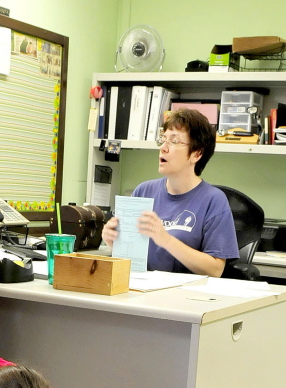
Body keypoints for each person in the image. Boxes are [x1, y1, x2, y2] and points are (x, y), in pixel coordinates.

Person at [101, 108, 239, 277]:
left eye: (174, 141)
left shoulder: (214, 200)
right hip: (142, 290)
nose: (163, 148)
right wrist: (115, 243)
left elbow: (215, 270)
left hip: (187, 297)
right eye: (163, 139)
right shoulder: (143, 191)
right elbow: (131, 259)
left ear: (197, 153)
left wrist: (165, 240)